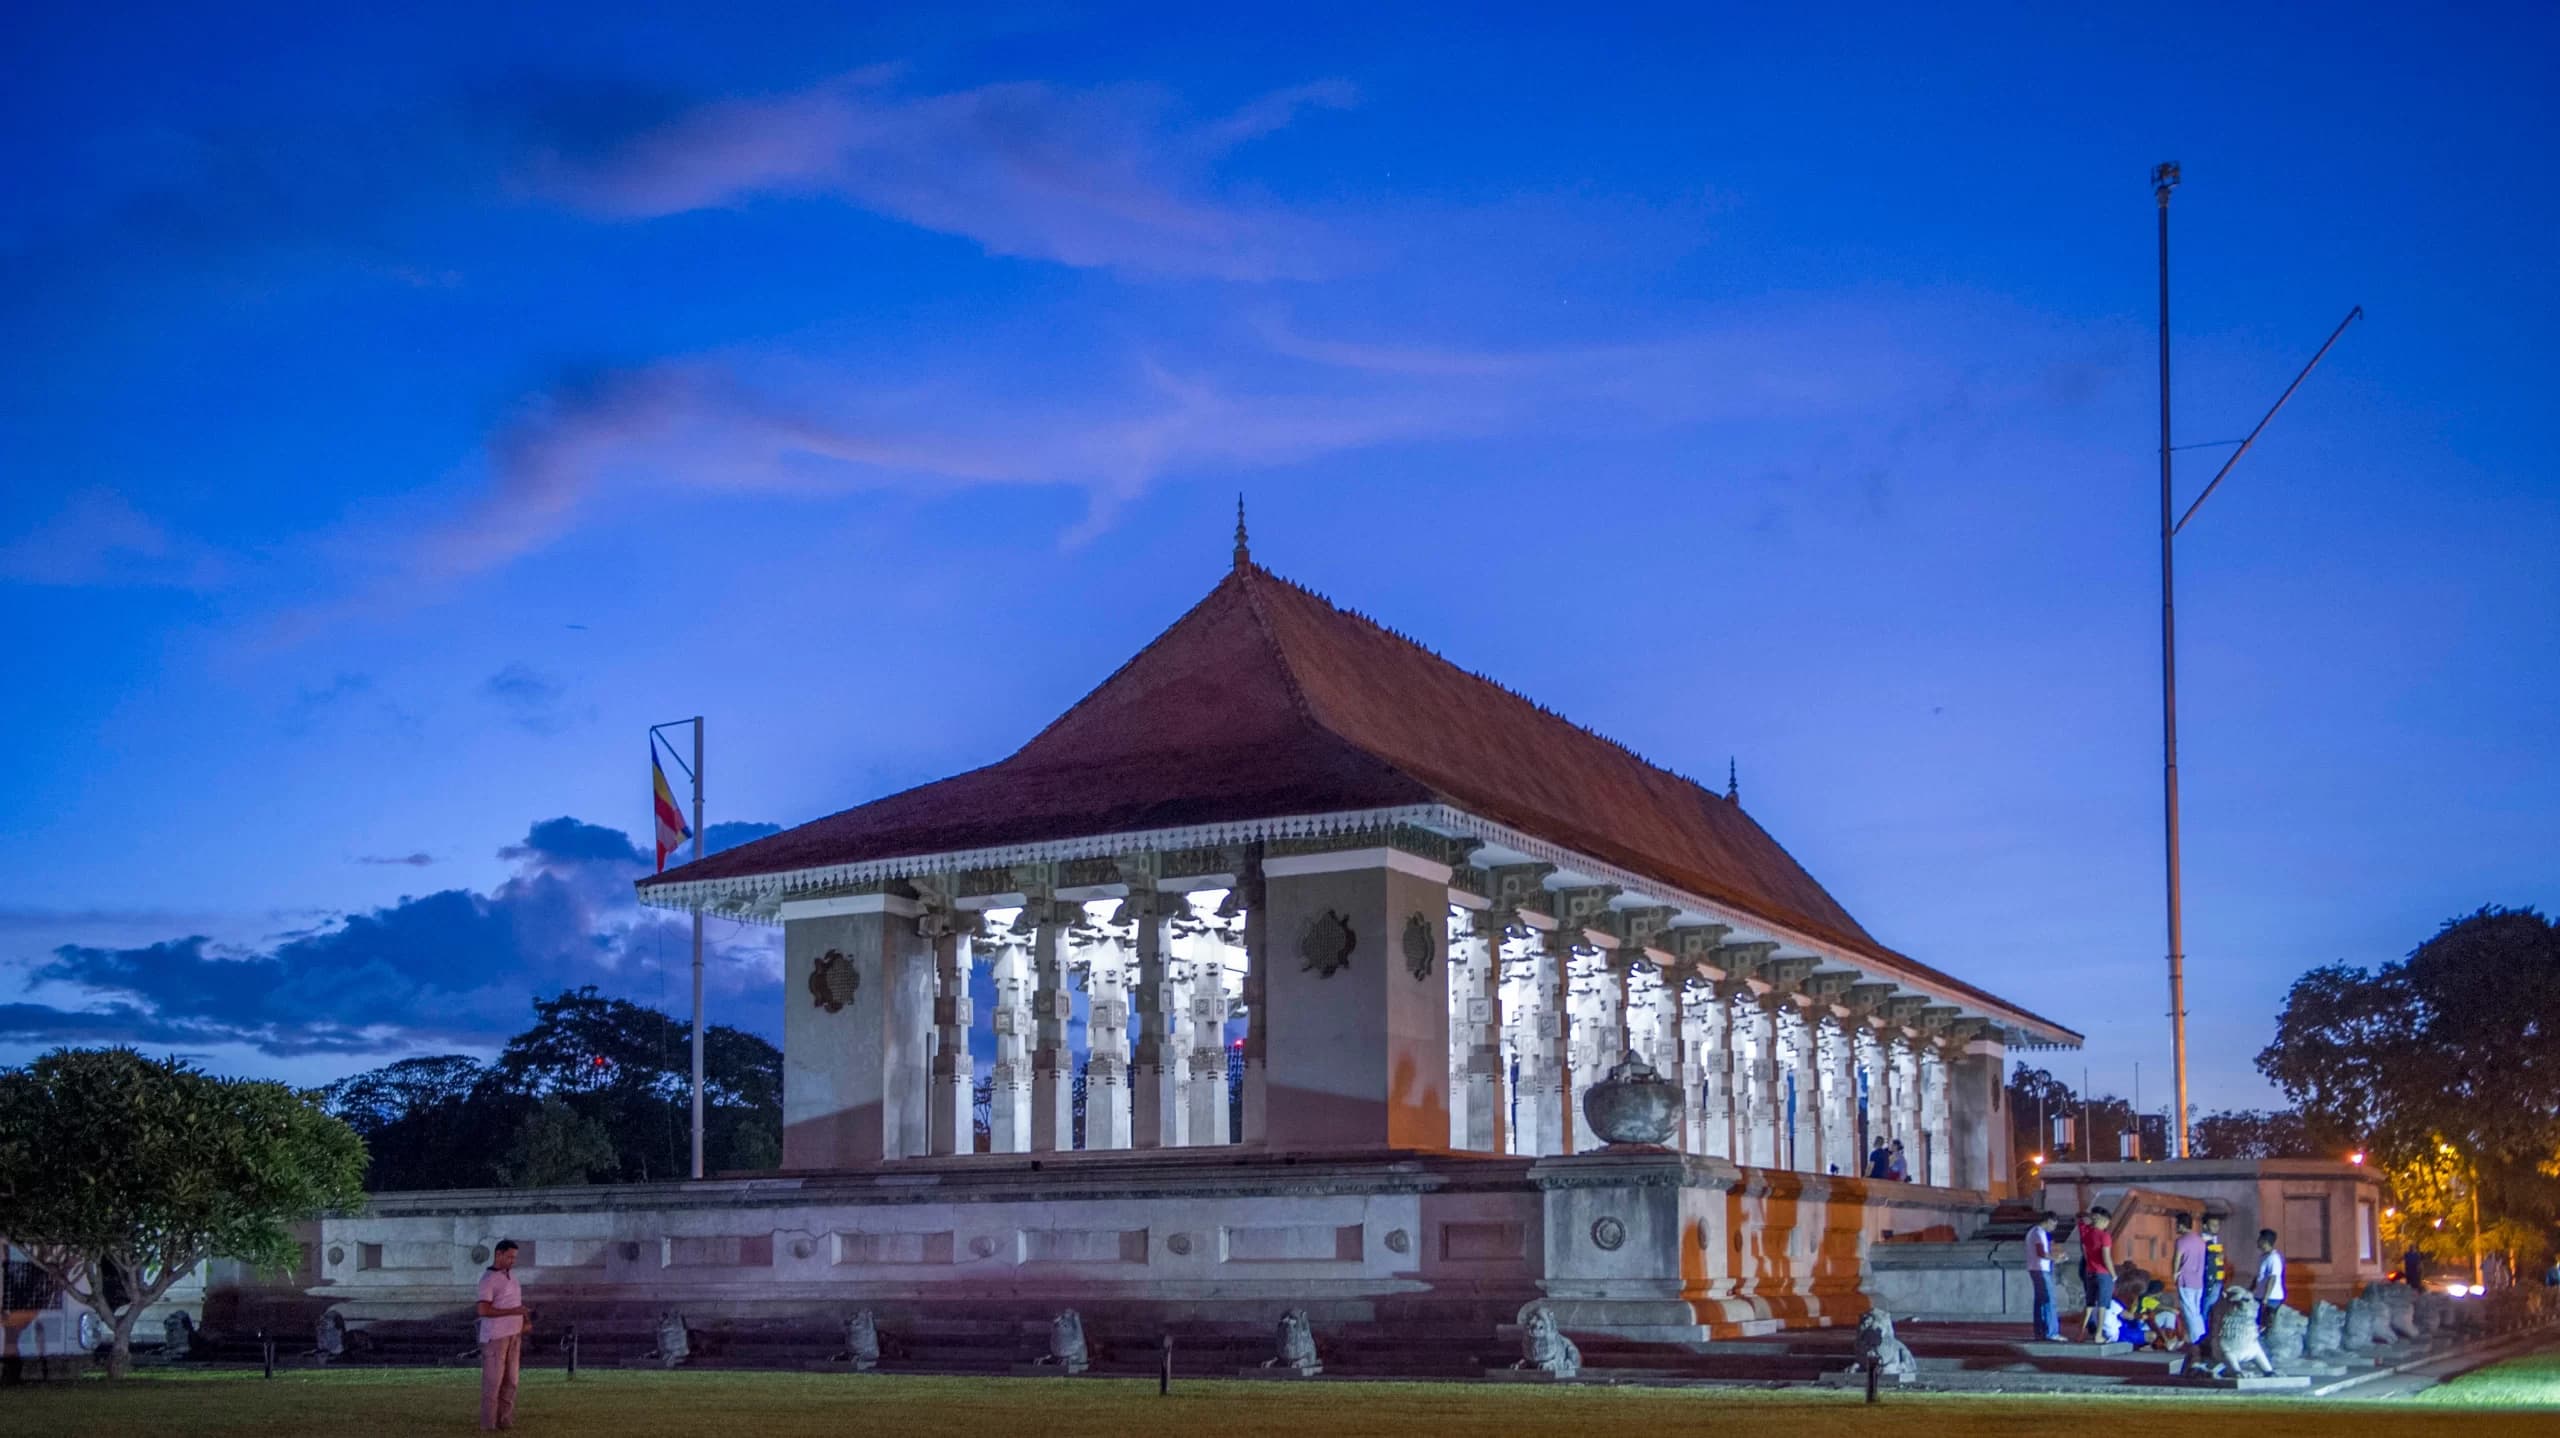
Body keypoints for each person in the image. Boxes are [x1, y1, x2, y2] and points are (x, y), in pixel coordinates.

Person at [476, 1238, 531, 1431]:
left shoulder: (512, 1277)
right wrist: (515, 1312)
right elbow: (483, 1310)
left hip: (514, 1335)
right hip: (496, 1337)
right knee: (493, 1382)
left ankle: (505, 1420)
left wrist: (524, 1320)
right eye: (509, 1256)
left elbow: (517, 1304)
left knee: (511, 1381)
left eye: (514, 1257)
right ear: (498, 1254)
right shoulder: (488, 1279)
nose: (512, 1261)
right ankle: (488, 1424)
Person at [2171, 1212, 2209, 1358]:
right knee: (2196, 1311)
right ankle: (2201, 1336)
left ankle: (2195, 1340)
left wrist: (2174, 1273)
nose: (2176, 1227)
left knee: (2189, 1312)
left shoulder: (2181, 1241)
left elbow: (2177, 1259)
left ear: (2181, 1225)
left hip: (2185, 1279)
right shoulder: (2200, 1241)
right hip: (2198, 1281)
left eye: (2177, 1224)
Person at [2077, 1207, 2118, 1339]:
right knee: (2102, 1305)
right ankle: (2099, 1334)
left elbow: (2079, 1218)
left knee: (2089, 1304)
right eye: (2107, 1223)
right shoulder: (2104, 1236)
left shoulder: (2086, 1233)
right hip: (2103, 1273)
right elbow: (2106, 1258)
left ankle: (2080, 1333)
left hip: (2090, 1271)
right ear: (2104, 1221)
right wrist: (2114, 1275)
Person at [2026, 1213, 2064, 1341]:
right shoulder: (2039, 1233)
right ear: (2048, 1221)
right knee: (2049, 1300)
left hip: (2035, 1268)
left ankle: (2040, 1332)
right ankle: (2051, 1332)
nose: (2054, 1228)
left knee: (2040, 1301)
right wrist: (2055, 1258)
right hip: (2041, 1269)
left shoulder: (2033, 1232)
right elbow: (2041, 1252)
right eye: (2053, 1224)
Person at [2199, 1214, 2228, 1340]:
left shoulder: (2214, 1241)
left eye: (2218, 1225)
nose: (2217, 1228)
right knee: (2207, 1308)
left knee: (2212, 1308)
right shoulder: (2204, 1242)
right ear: (2205, 1226)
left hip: (2218, 1280)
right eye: (2213, 1225)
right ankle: (2205, 1335)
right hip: (2211, 1281)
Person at [2253, 1228, 2287, 1328]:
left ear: (2265, 1241)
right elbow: (2260, 1276)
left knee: (2267, 1325)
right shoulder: (2263, 1257)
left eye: (2259, 1239)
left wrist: (2266, 1298)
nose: (2257, 1241)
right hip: (2260, 1296)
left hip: (2271, 1298)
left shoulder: (2274, 1258)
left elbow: (2272, 1279)